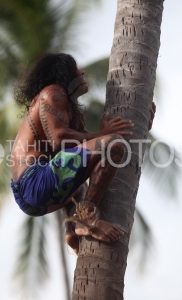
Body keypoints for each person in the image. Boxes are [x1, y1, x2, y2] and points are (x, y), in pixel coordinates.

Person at [11, 53, 155, 254]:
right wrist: (105, 134)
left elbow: (84, 148)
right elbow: (60, 138)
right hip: (34, 181)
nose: (82, 72)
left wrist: (139, 124)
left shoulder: (65, 107)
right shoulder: (53, 93)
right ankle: (85, 219)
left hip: (34, 197)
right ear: (64, 73)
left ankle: (71, 230)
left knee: (87, 166)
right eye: (76, 68)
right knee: (112, 143)